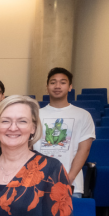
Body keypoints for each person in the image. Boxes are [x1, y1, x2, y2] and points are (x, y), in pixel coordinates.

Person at [33, 67, 95, 198]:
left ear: (70, 87)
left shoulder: (83, 115)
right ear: (47, 87)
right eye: (53, 82)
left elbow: (84, 150)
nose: (57, 86)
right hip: (38, 182)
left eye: (63, 82)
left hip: (71, 183)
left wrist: (69, 178)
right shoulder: (36, 114)